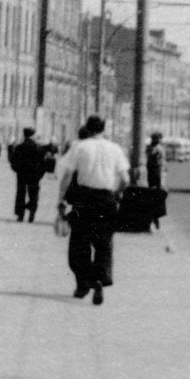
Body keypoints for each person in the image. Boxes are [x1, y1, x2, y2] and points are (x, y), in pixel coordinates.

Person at [55, 115, 130, 305]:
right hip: (107, 200)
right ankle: (98, 279)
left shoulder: (79, 146)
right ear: (104, 129)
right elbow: (125, 179)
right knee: (104, 244)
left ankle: (83, 284)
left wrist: (61, 199)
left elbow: (67, 175)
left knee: (79, 244)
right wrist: (117, 194)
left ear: (87, 128)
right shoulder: (115, 148)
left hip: (84, 200)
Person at [7, 126, 47, 223]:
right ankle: (31, 215)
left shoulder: (19, 147)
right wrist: (40, 174)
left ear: (24, 135)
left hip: (22, 174)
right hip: (34, 175)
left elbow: (12, 160)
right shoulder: (39, 148)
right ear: (33, 136)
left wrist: (17, 170)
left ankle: (20, 215)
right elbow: (44, 163)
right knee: (34, 195)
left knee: (21, 194)